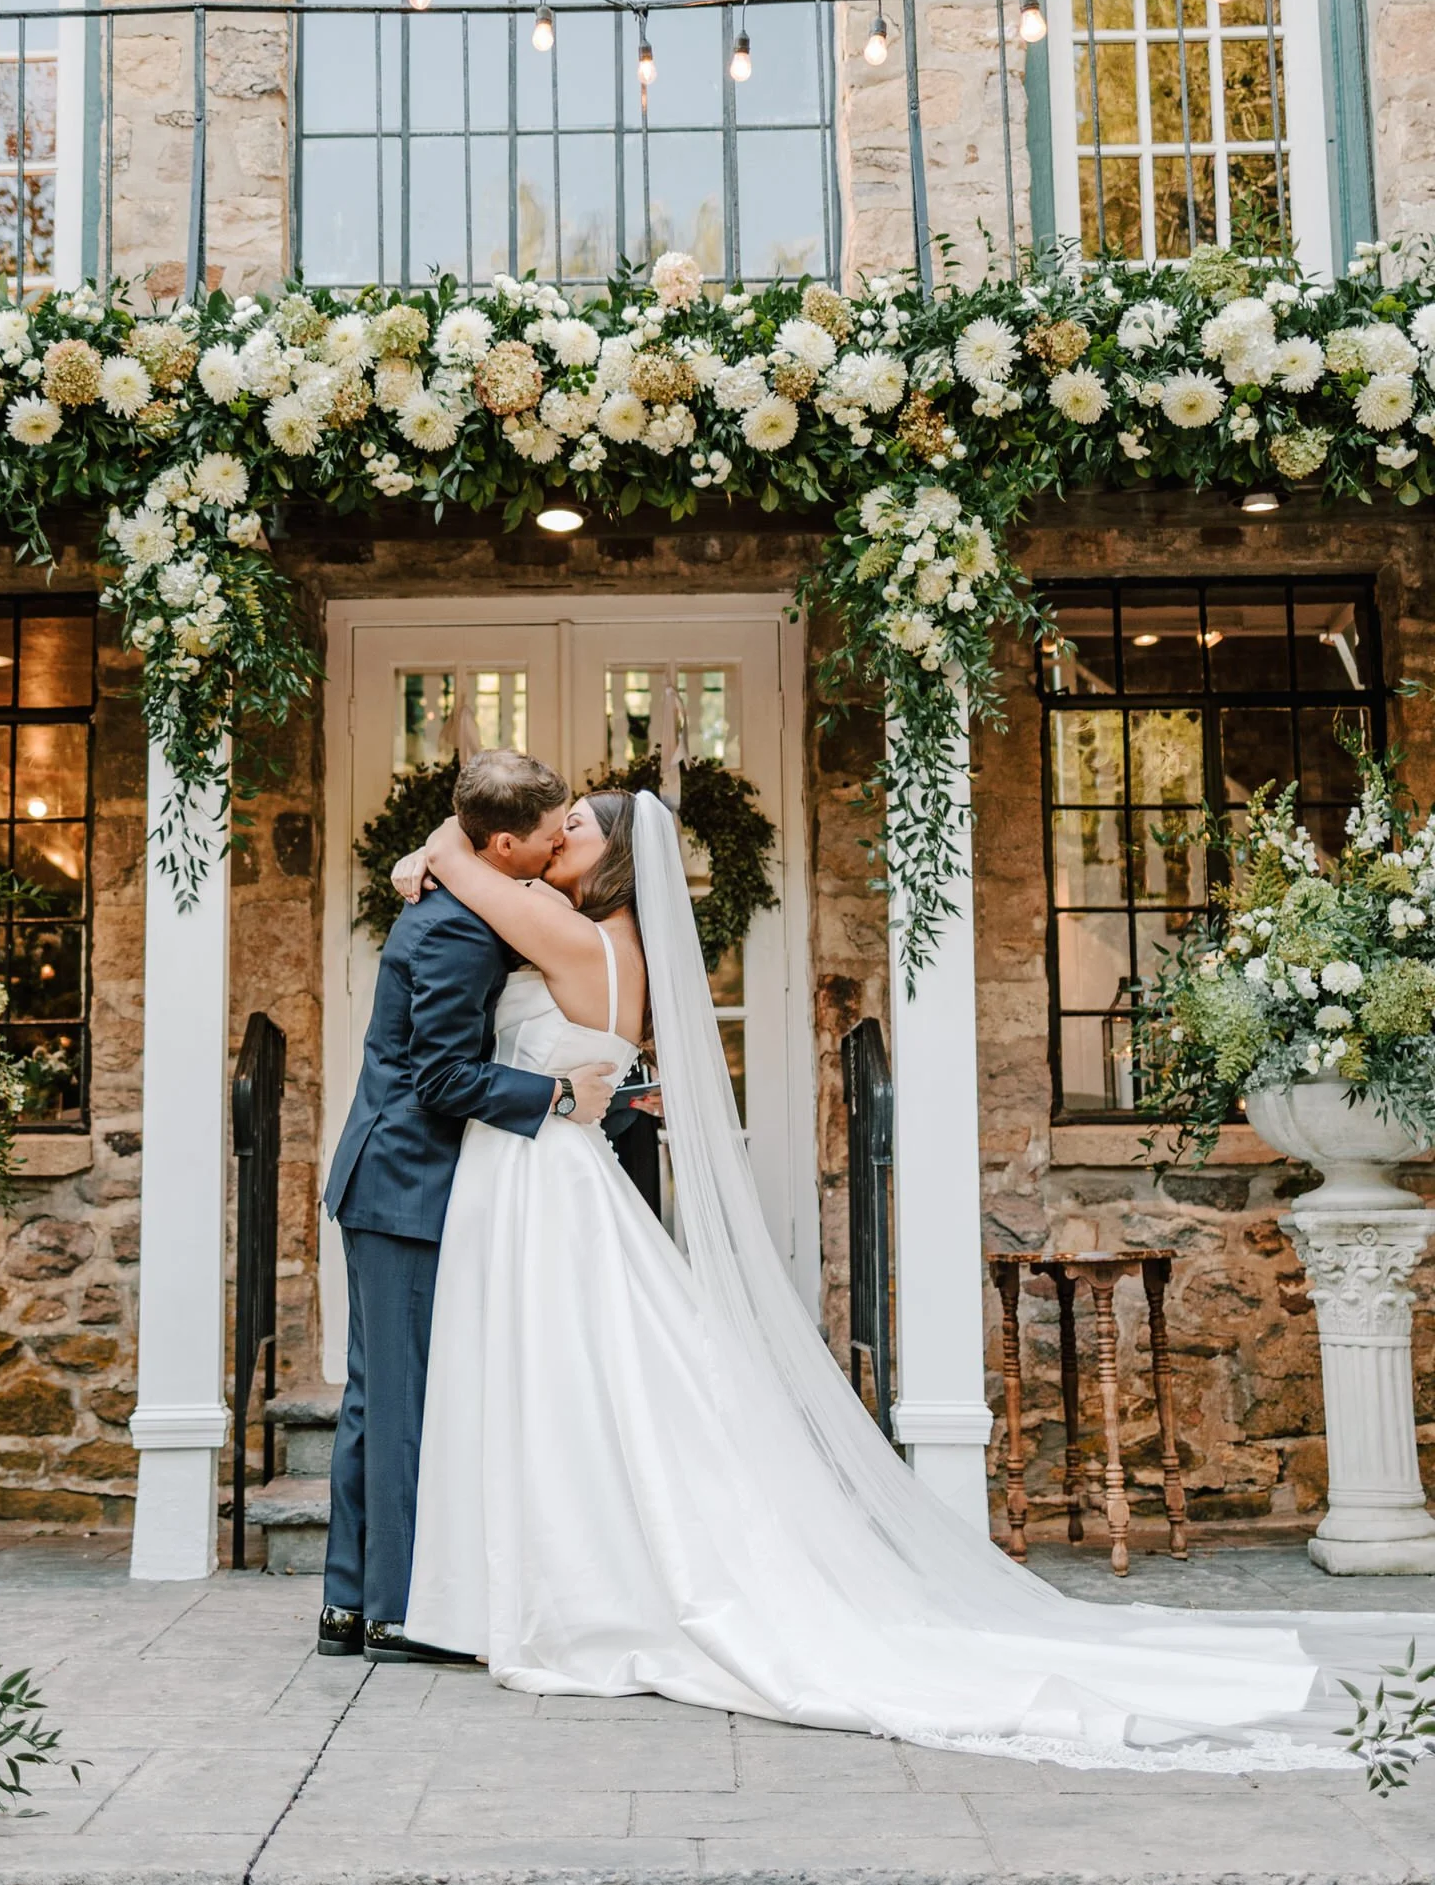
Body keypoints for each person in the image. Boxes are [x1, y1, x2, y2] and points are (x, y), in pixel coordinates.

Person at [391, 781, 1433, 1771]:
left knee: (581, 1377)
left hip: (548, 1180)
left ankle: (582, 1586)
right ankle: (572, 1568)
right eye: (556, 823)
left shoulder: (573, 934)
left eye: (574, 827)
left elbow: (467, 865)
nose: (555, 836)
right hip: (557, 1177)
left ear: (616, 861)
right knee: (599, 1381)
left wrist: (432, 849)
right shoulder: (610, 940)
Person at [319, 751, 617, 1665]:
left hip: (388, 1179)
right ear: (503, 844)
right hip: (405, 1181)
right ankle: (396, 1614)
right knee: (400, 1401)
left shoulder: (459, 890)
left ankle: (350, 1602)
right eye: (546, 833)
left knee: (379, 1396)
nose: (558, 840)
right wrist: (559, 1099)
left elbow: (451, 841)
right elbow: (443, 1075)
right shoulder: (458, 930)